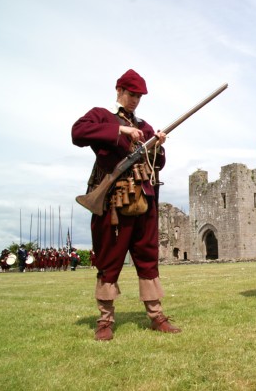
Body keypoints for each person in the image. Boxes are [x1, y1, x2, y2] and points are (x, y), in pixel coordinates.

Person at [72, 69, 180, 341]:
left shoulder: (143, 126)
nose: (134, 100)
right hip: (113, 200)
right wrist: (119, 129)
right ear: (119, 90)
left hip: (143, 198)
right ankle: (105, 320)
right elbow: (78, 132)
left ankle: (156, 316)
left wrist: (158, 145)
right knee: (109, 259)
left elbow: (156, 164)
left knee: (147, 257)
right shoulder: (101, 115)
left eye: (139, 96)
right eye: (131, 94)